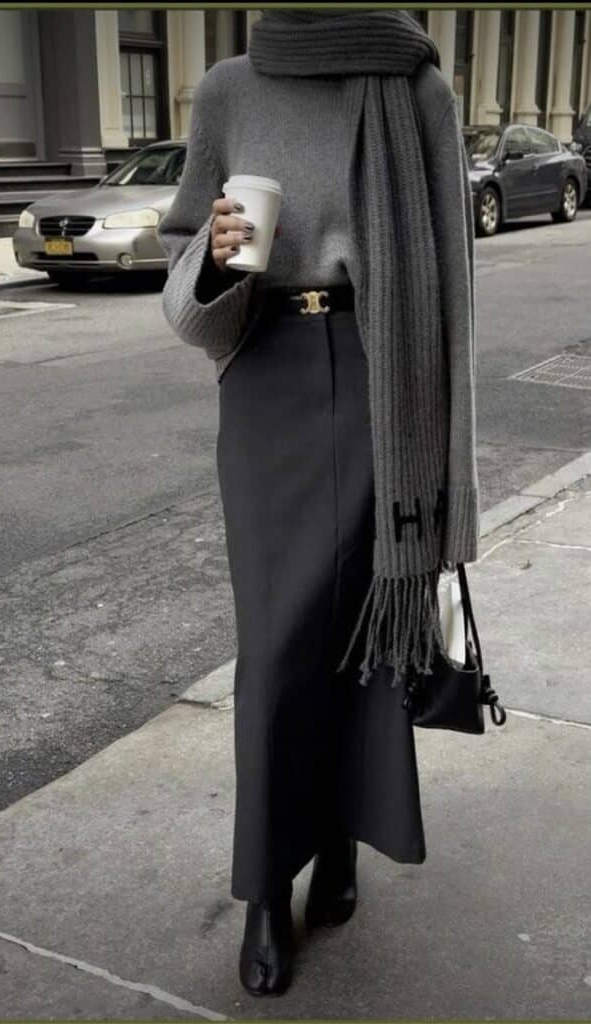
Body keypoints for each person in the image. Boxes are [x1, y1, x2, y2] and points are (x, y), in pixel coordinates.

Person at [158, 8, 478, 998]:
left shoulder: (416, 88)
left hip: (383, 379)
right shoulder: (228, 89)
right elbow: (182, 267)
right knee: (274, 645)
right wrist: (215, 256)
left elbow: (449, 283)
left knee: (362, 631)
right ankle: (266, 885)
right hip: (265, 379)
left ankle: (339, 839)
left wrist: (447, 468)